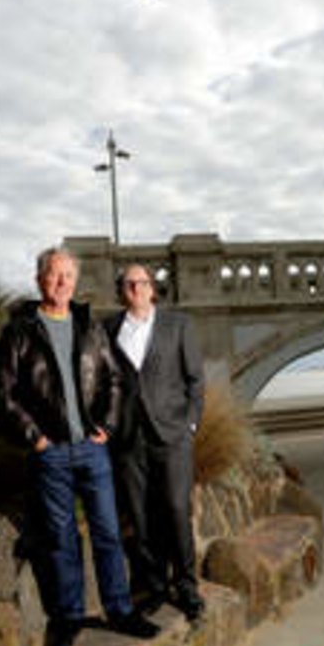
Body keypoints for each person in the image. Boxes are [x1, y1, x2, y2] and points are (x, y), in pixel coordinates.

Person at [0, 247, 159, 646]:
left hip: (91, 450)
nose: (62, 282)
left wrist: (106, 426)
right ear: (39, 280)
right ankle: (68, 617)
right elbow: (4, 392)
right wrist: (35, 436)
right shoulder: (20, 331)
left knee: (106, 533)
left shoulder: (90, 327)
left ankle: (119, 610)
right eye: (54, 275)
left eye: (68, 275)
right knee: (61, 537)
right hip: (50, 452)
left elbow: (115, 381)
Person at [104, 263, 206, 622]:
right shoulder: (108, 329)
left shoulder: (178, 326)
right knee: (141, 516)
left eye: (141, 282)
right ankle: (155, 587)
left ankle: (188, 587)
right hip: (130, 439)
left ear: (152, 288)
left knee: (177, 510)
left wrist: (190, 424)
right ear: (122, 290)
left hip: (172, 435)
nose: (135, 288)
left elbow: (195, 379)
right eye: (128, 284)